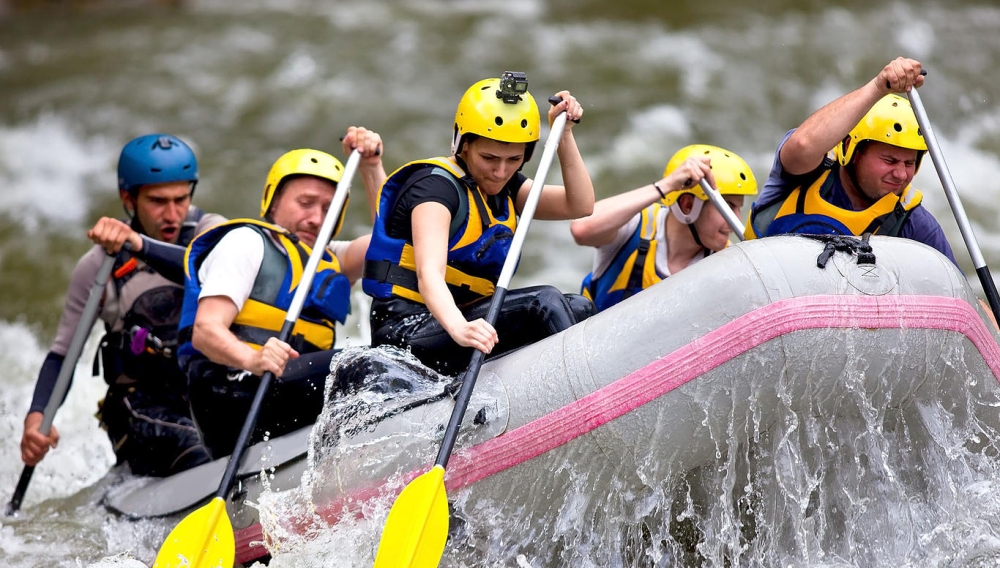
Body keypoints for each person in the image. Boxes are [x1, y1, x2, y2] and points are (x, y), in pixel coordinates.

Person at [362, 72, 597, 376]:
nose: (500, 172)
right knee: (544, 303)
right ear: (463, 145)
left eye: (513, 159)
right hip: (407, 330)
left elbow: (579, 205)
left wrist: (563, 134)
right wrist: (460, 328)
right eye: (489, 158)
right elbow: (428, 274)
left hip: (464, 321)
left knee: (578, 306)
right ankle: (581, 393)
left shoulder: (507, 188)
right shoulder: (434, 190)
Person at [20, 134, 224, 477]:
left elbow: (204, 265)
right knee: (197, 449)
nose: (172, 213)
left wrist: (140, 244)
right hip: (140, 409)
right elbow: (62, 355)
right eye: (158, 201)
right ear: (128, 198)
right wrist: (37, 418)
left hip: (203, 392)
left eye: (181, 199)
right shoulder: (99, 266)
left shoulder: (211, 231)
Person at [176, 127, 385, 459]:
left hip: (286, 392)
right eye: (305, 203)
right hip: (231, 393)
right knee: (366, 367)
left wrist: (371, 167)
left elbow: (392, 243)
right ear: (273, 203)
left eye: (328, 208)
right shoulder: (246, 242)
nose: (316, 217)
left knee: (393, 360)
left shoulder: (334, 259)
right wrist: (253, 358)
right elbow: (205, 331)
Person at [746, 56, 957, 265]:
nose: (901, 174)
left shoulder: (914, 224)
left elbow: (959, 293)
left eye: (909, 163)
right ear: (851, 150)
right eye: (889, 160)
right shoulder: (808, 171)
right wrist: (878, 87)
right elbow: (802, 145)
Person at [571, 144, 757, 311]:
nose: (736, 220)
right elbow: (581, 229)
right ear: (687, 205)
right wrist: (668, 185)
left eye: (738, 208)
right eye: (728, 206)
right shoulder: (635, 225)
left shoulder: (726, 262)